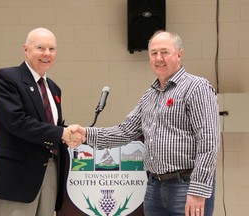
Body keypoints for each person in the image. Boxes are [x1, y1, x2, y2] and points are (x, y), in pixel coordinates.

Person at [70, 31, 220, 216]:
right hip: (154, 187)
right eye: (153, 53)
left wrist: (198, 190)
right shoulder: (149, 96)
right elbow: (124, 131)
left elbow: (208, 142)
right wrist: (85, 133)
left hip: (187, 185)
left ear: (179, 54)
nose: (159, 58)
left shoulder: (197, 88)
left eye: (164, 52)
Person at [0, 27, 84, 216]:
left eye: (52, 49)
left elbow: (50, 125)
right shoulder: (7, 78)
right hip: (19, 175)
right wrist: (60, 133)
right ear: (26, 49)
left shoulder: (54, 89)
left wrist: (69, 132)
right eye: (40, 48)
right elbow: (17, 121)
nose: (47, 54)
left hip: (50, 171)